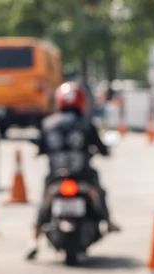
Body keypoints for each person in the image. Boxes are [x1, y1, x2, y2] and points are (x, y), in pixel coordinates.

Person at [25, 82, 118, 260]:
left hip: (56, 177)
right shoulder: (87, 124)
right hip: (83, 175)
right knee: (98, 190)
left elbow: (39, 148)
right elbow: (102, 148)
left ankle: (33, 238)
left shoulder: (48, 124)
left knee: (44, 200)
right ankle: (108, 221)